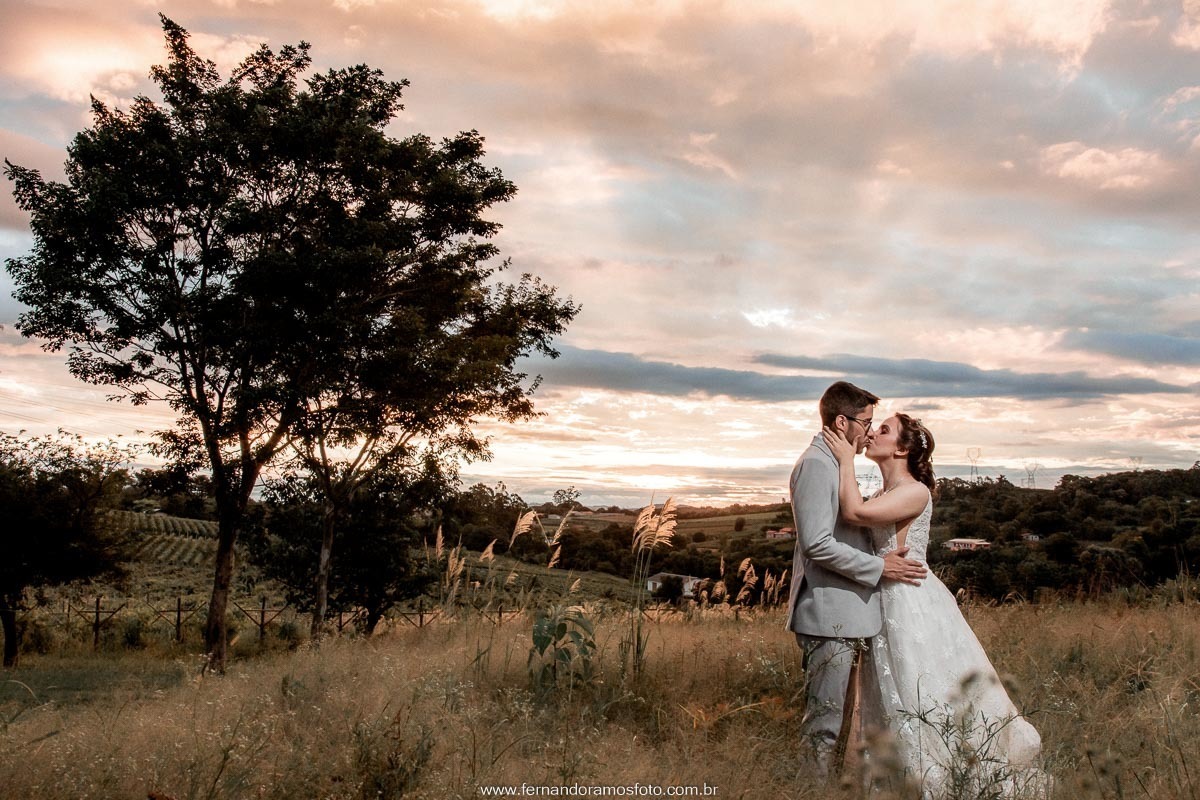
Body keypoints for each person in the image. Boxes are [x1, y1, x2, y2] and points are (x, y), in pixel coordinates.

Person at [822, 413, 1046, 797]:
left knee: (919, 686)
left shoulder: (915, 492)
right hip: (883, 599)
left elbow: (854, 513)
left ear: (903, 449)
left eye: (884, 430)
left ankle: (937, 779)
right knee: (889, 691)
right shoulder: (883, 494)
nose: (873, 433)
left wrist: (845, 458)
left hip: (909, 601)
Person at [786, 381, 928, 779]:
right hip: (828, 612)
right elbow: (817, 544)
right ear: (842, 422)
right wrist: (880, 568)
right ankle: (811, 790)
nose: (869, 432)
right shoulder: (818, 464)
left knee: (842, 722)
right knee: (825, 724)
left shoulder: (836, 463)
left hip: (849, 612)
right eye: (866, 423)